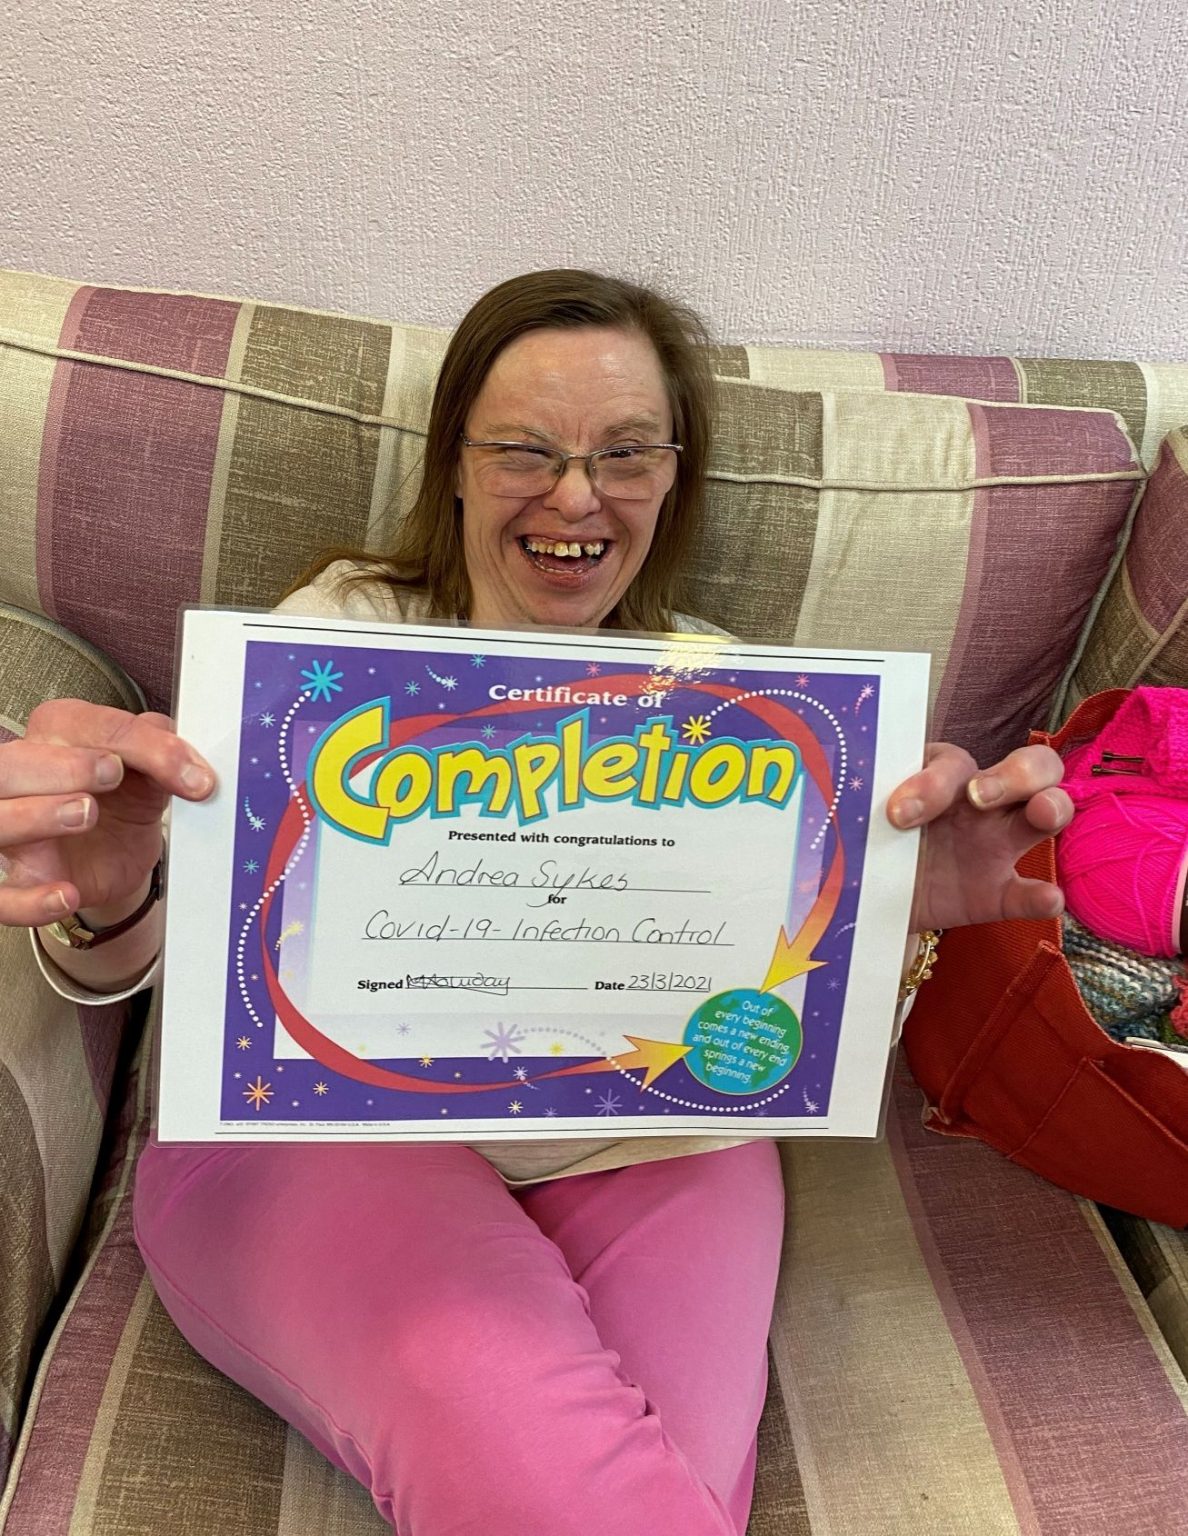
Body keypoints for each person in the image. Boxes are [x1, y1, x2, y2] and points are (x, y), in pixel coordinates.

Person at [0, 271, 1072, 1535]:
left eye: (626, 453)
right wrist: (109, 891)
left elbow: (781, 1045)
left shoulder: (741, 703)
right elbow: (183, 973)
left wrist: (898, 910)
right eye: (524, 450)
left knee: (638, 1492)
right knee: (560, 1477)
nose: (575, 496)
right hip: (331, 1137)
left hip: (656, 1141)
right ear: (455, 466)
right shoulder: (332, 638)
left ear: (672, 479)